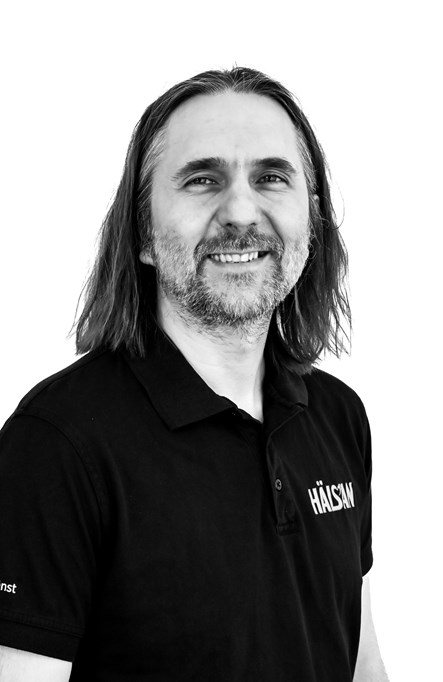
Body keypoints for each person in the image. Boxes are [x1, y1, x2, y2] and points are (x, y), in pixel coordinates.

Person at [0, 67, 389, 681]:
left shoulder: (339, 416)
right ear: (143, 233)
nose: (241, 211)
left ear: (311, 220)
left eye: (271, 177)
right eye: (203, 179)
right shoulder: (56, 445)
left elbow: (362, 663)